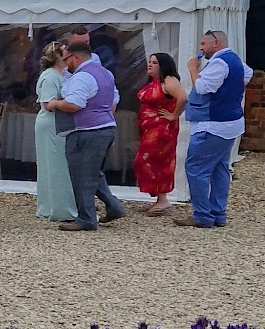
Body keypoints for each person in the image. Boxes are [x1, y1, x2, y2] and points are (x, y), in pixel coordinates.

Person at [45, 33, 125, 232]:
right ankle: (114, 206)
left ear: (75, 58)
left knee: (82, 176)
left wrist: (54, 103)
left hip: (86, 131)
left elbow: (74, 104)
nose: (65, 64)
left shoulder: (82, 77)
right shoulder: (106, 73)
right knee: (93, 173)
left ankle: (87, 219)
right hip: (106, 127)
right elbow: (114, 99)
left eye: (66, 60)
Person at [180, 28, 254, 228]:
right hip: (230, 124)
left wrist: (193, 69)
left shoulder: (219, 62)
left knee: (196, 169)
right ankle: (218, 213)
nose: (201, 48)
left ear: (216, 44)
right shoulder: (234, 59)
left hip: (212, 125)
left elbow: (203, 88)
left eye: (204, 44)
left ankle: (202, 215)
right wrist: (231, 92)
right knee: (220, 168)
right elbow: (248, 74)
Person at [134, 52, 186, 215]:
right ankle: (159, 198)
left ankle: (163, 200)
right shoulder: (154, 82)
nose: (150, 64)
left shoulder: (169, 80)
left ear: (163, 65)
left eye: (154, 62)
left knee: (149, 161)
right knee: (148, 161)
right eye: (149, 62)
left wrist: (174, 115)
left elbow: (183, 98)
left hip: (162, 130)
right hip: (149, 128)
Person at [33, 42, 77, 223]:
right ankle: (58, 209)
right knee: (55, 165)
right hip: (51, 124)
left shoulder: (58, 75)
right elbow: (47, 104)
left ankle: (54, 206)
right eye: (65, 52)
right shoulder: (50, 77)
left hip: (56, 123)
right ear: (58, 56)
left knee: (56, 165)